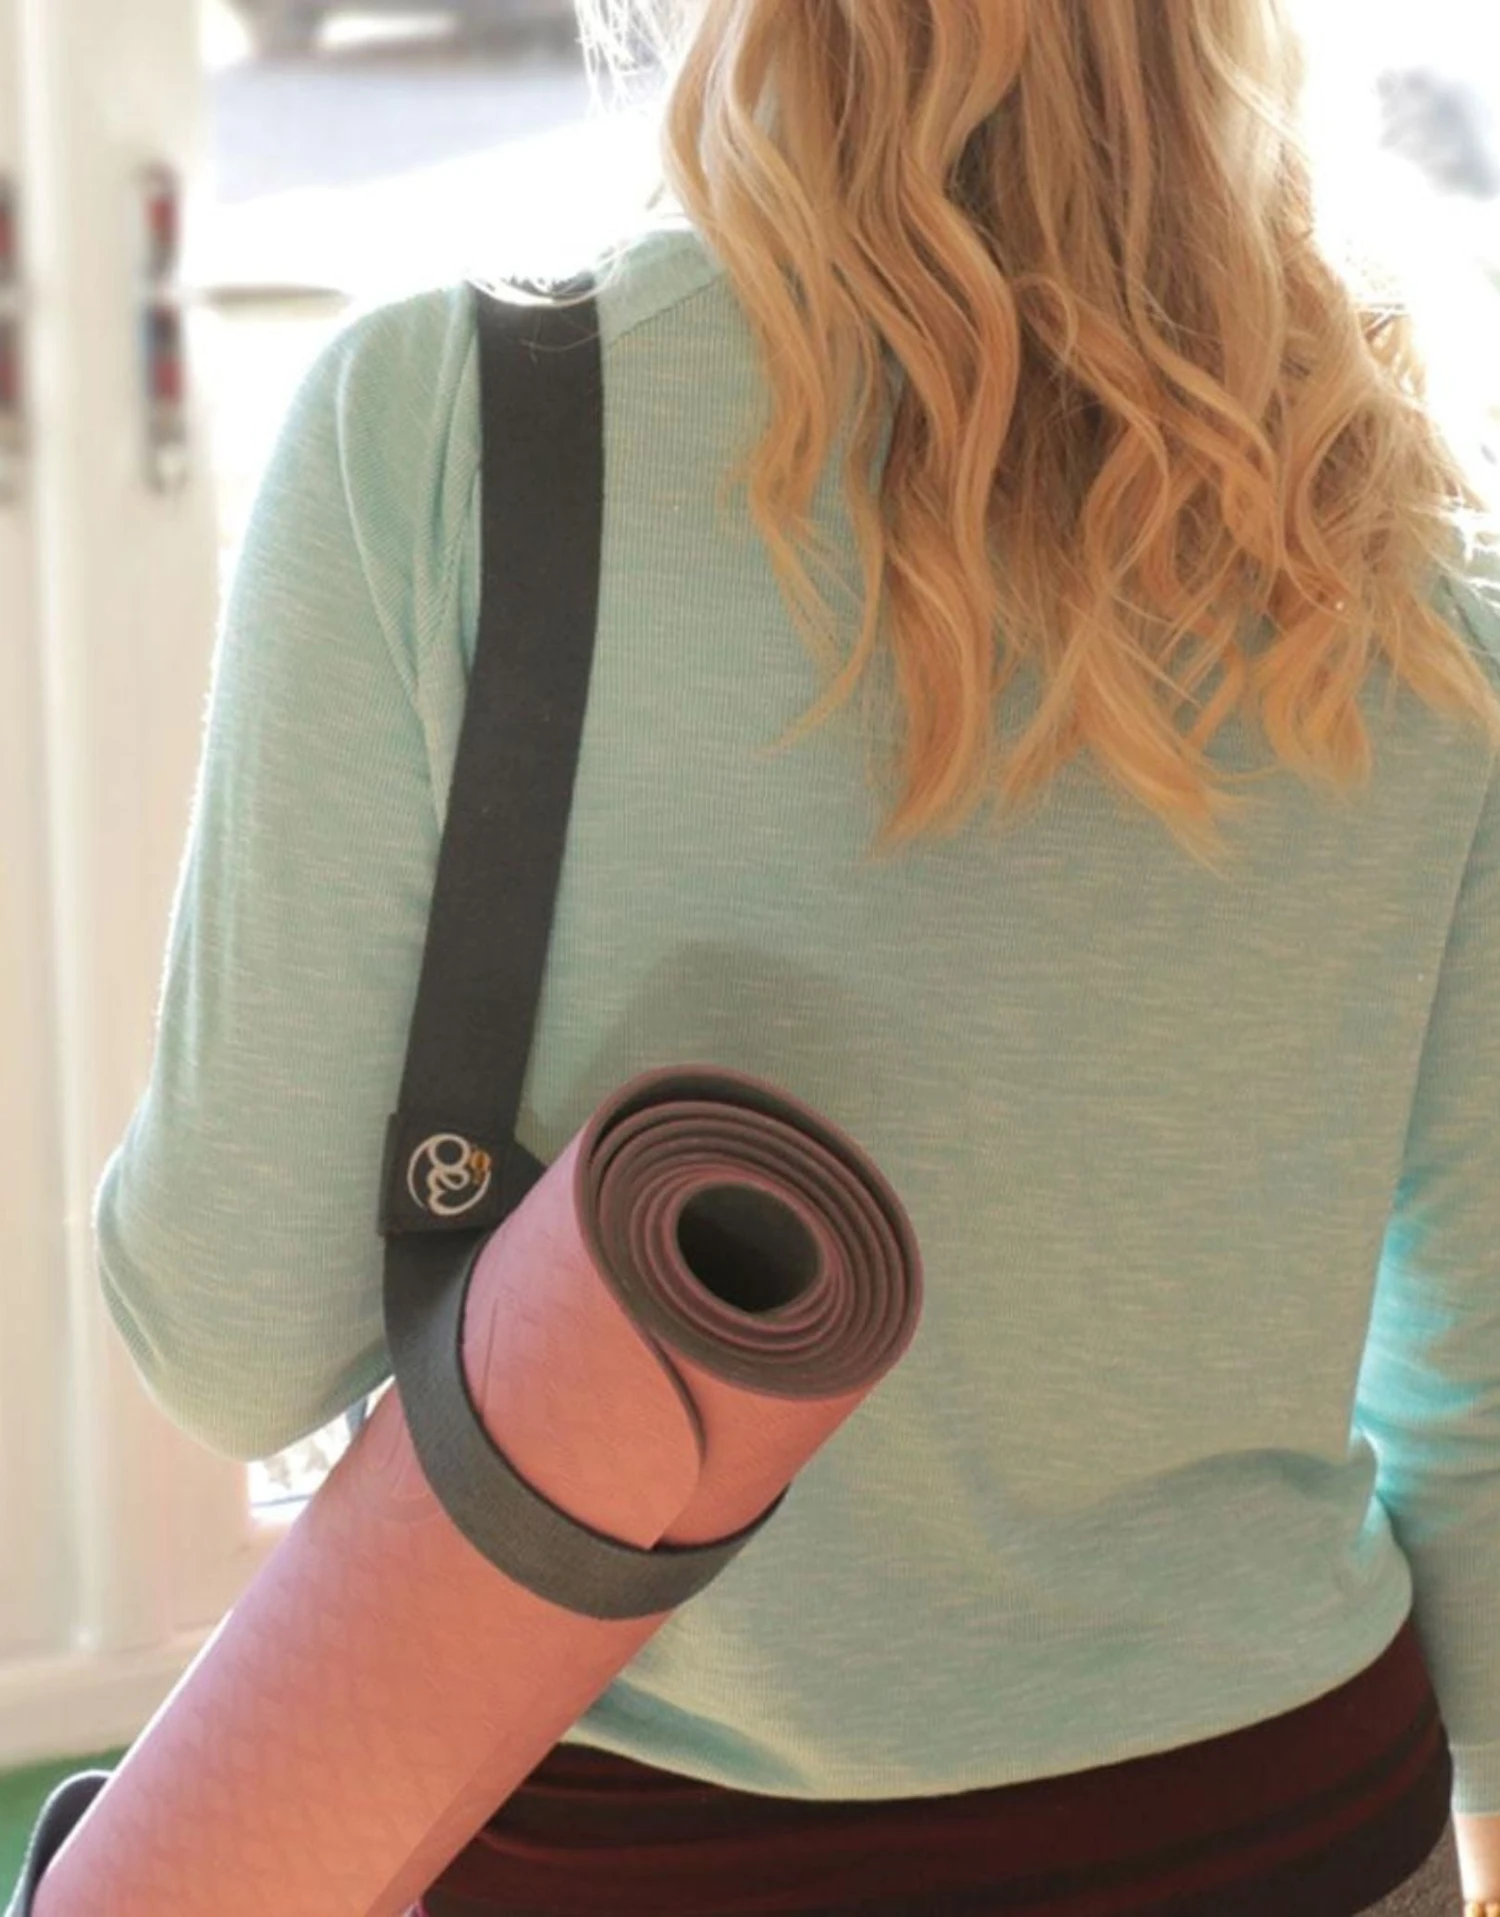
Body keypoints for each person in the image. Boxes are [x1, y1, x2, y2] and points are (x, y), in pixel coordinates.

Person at [29, 1, 1500, 1913]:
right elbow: (1475, 1390)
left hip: (604, 1845)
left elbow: (233, 1348)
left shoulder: (449, 434)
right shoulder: (1403, 548)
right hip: (1286, 1821)